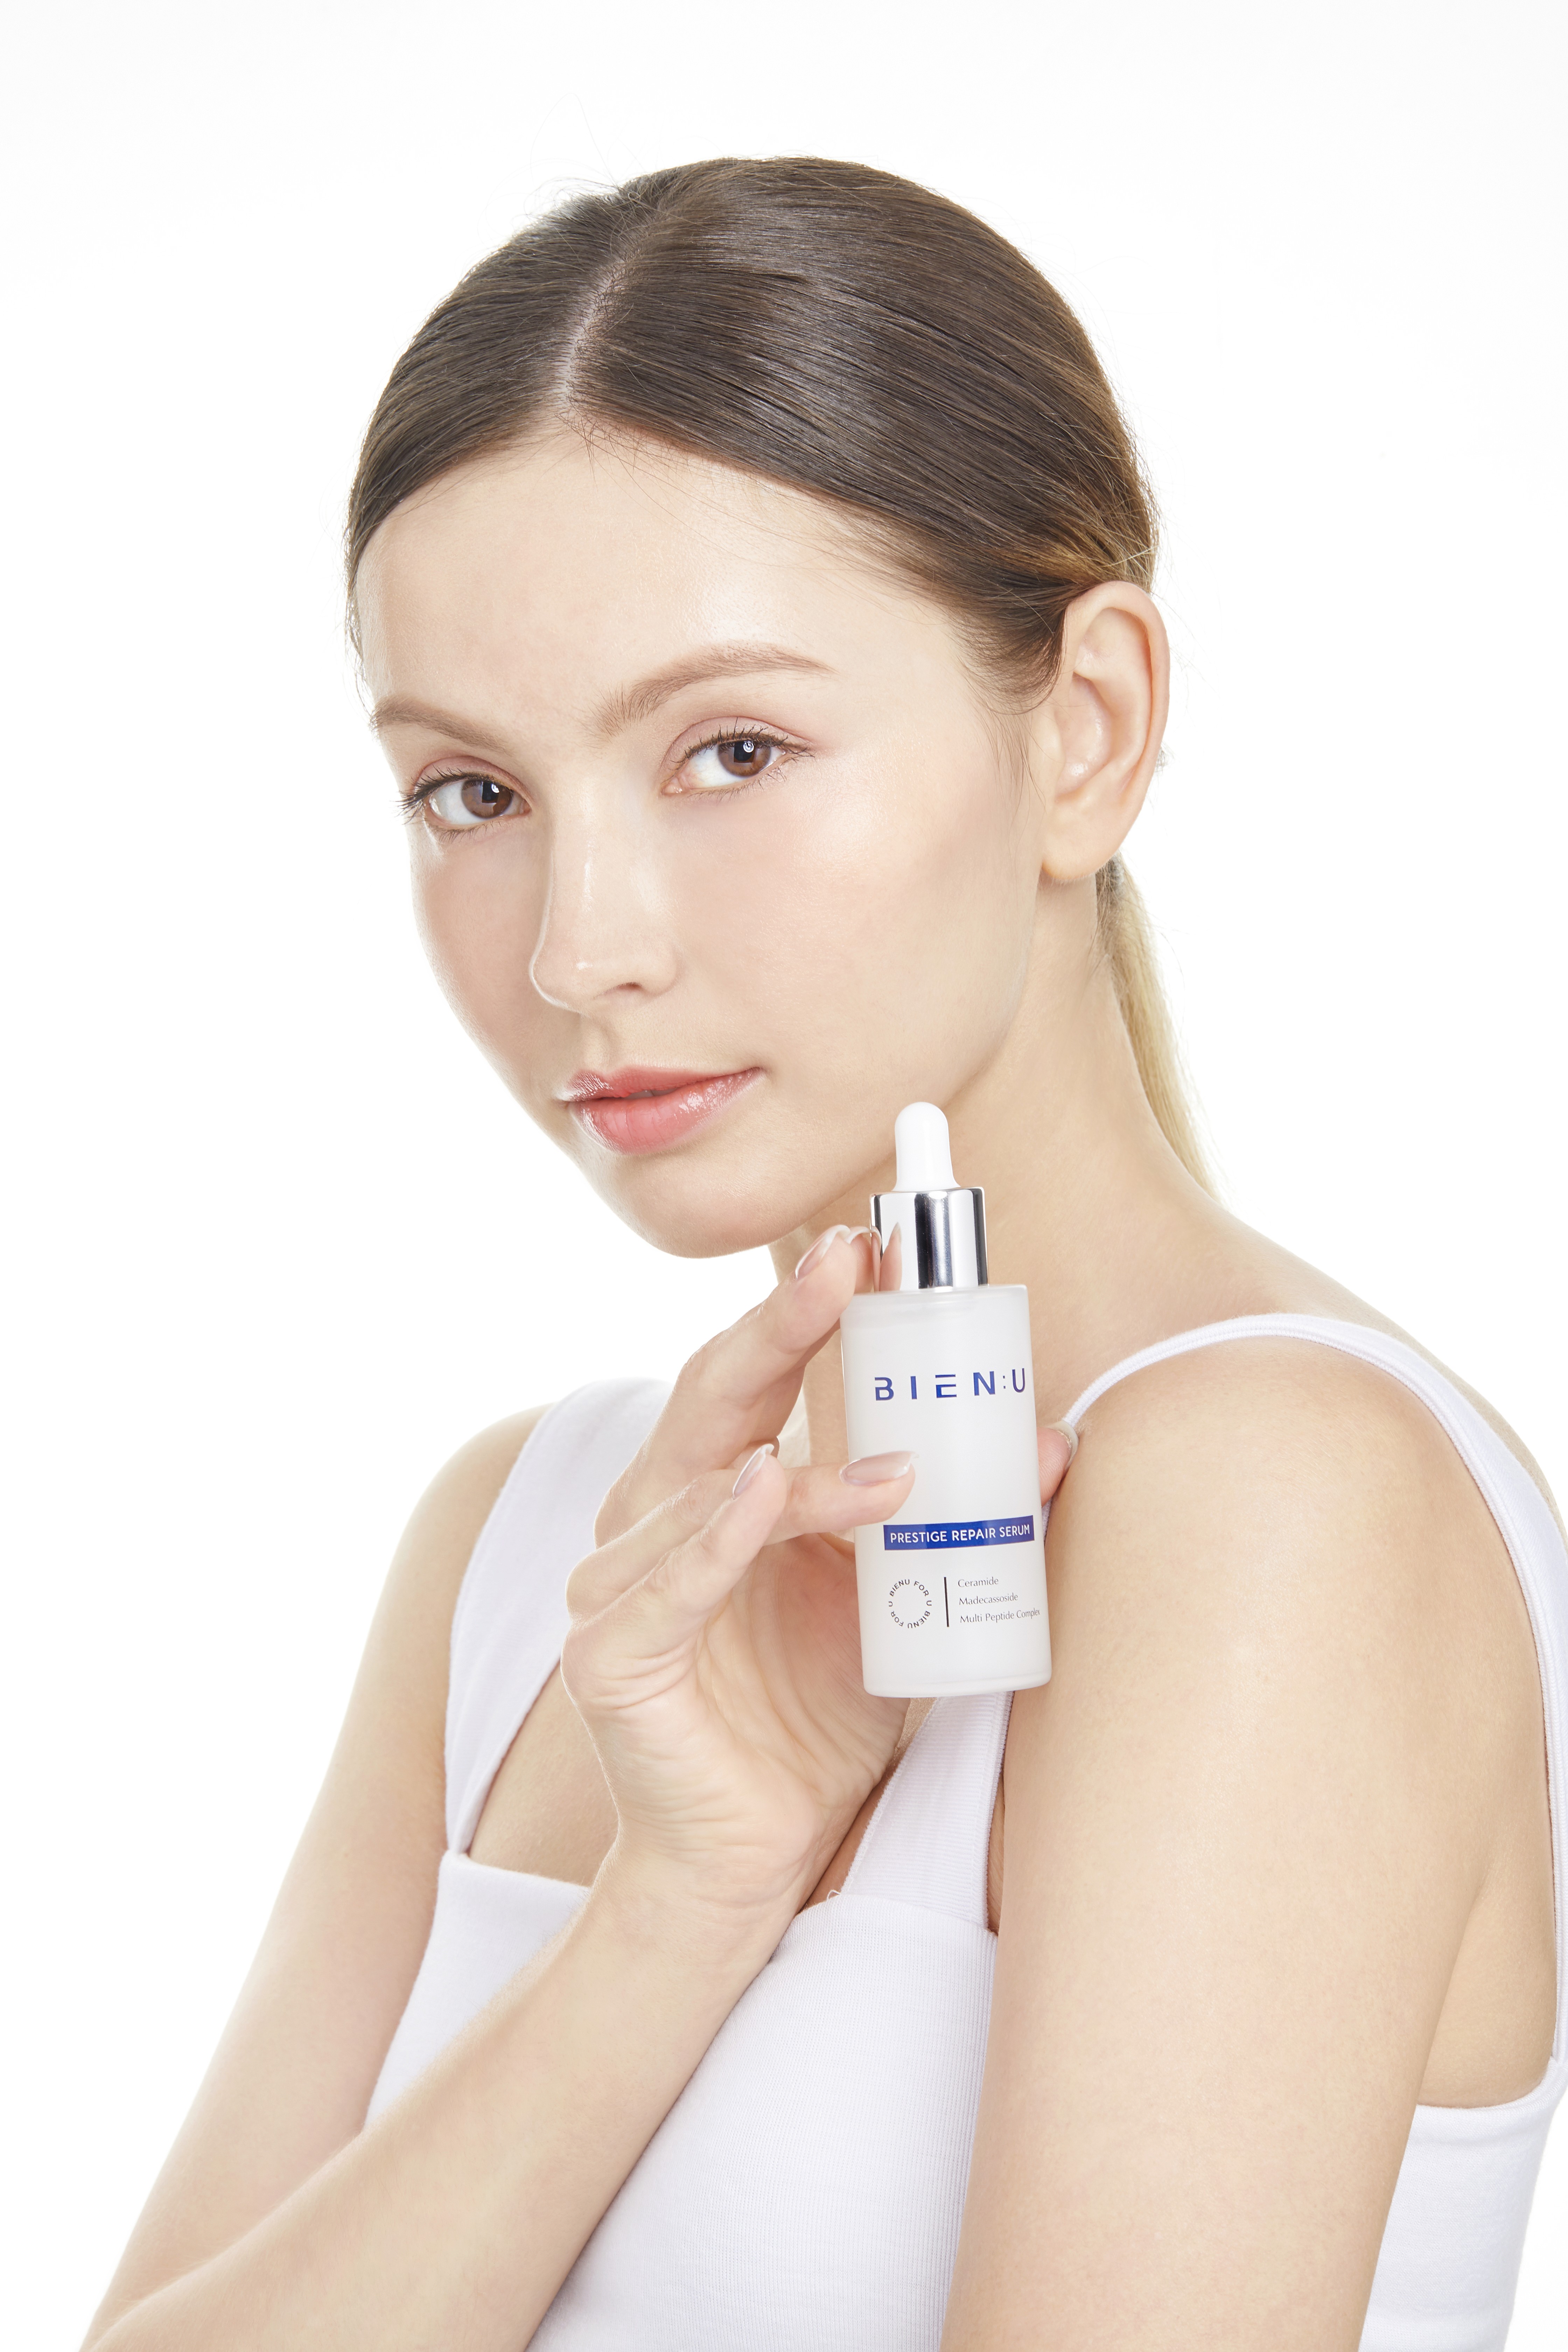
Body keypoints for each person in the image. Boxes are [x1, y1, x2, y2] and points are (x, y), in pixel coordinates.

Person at [83, 158, 1564, 2352]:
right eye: (472, 793)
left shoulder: (1276, 1494)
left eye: (734, 749)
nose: (585, 949)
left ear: (1087, 730)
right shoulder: (521, 1549)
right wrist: (684, 1900)